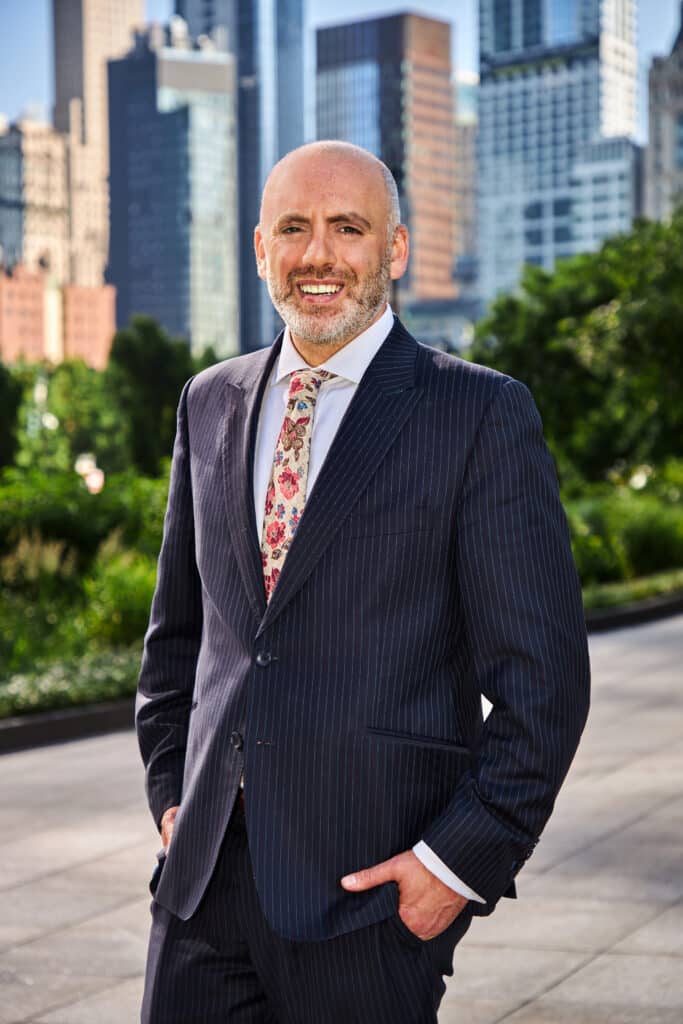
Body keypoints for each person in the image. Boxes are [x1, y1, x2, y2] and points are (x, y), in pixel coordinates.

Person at [136, 140, 590, 1023]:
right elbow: (179, 642)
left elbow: (544, 684)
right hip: (199, 893)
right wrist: (171, 798)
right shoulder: (209, 401)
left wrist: (453, 865)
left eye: (348, 228)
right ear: (260, 247)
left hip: (371, 898)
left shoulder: (478, 414)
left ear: (395, 249)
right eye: (294, 229)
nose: (318, 255)